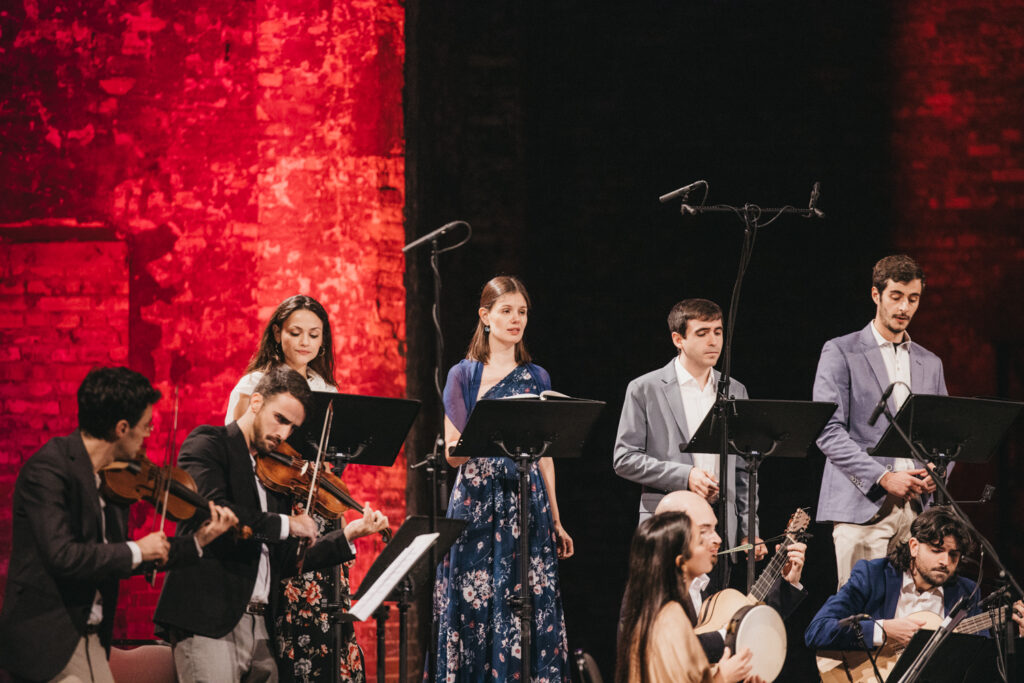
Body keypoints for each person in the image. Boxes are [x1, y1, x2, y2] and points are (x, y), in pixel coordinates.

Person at [0, 367, 238, 683]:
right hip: (46, 636)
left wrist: (199, 541)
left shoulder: (114, 480)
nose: (149, 433)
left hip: (90, 636)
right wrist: (137, 549)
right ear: (122, 428)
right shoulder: (48, 470)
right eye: (146, 425)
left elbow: (116, 558)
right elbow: (63, 556)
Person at [154, 366, 385, 682]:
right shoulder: (209, 443)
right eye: (280, 419)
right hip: (210, 617)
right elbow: (214, 511)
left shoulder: (275, 477)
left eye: (292, 427)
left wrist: (346, 536)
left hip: (263, 627)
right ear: (256, 402)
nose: (284, 434)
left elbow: (286, 559)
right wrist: (288, 524)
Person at [226, 294, 384, 682]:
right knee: (290, 609)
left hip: (320, 503)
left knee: (330, 610)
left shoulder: (324, 387)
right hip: (278, 502)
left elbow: (331, 463)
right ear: (277, 333)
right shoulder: (253, 384)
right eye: (295, 332)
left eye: (314, 335)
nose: (304, 342)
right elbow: (235, 451)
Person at [426, 275, 573, 682]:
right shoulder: (463, 375)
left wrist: (557, 519)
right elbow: (454, 454)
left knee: (528, 599)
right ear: (485, 316)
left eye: (522, 312)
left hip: (526, 496)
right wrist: (487, 431)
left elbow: (546, 458)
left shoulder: (537, 377)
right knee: (475, 602)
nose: (515, 319)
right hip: (477, 500)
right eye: (506, 311)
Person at [814, 255, 948, 586]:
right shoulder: (841, 351)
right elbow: (828, 431)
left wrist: (938, 470)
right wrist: (883, 477)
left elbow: (945, 434)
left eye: (913, 299)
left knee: (912, 612)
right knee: (862, 613)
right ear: (876, 294)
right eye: (896, 296)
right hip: (862, 508)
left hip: (917, 514)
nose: (904, 307)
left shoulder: (930, 362)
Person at [613, 298, 763, 591]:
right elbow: (624, 458)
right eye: (702, 333)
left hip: (721, 526)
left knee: (715, 613)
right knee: (670, 610)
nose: (713, 341)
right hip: (669, 525)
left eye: (718, 332)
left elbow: (744, 470)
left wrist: (749, 529)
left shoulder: (734, 389)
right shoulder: (645, 388)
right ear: (678, 339)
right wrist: (685, 476)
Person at [805, 506, 1024, 651]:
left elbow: (978, 659)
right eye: (936, 550)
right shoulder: (873, 575)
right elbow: (817, 631)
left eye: (953, 555)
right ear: (914, 546)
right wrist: (883, 630)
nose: (945, 561)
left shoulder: (966, 592)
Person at [654, 491, 806, 663]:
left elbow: (755, 624)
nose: (718, 539)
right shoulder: (653, 592)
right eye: (704, 531)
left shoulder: (702, 589)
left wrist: (789, 582)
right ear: (673, 535)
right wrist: (729, 635)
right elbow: (672, 649)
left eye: (715, 529)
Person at [615, 511, 762, 683]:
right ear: (681, 562)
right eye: (700, 541)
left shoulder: (663, 610)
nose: (717, 540)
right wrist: (723, 678)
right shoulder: (668, 618)